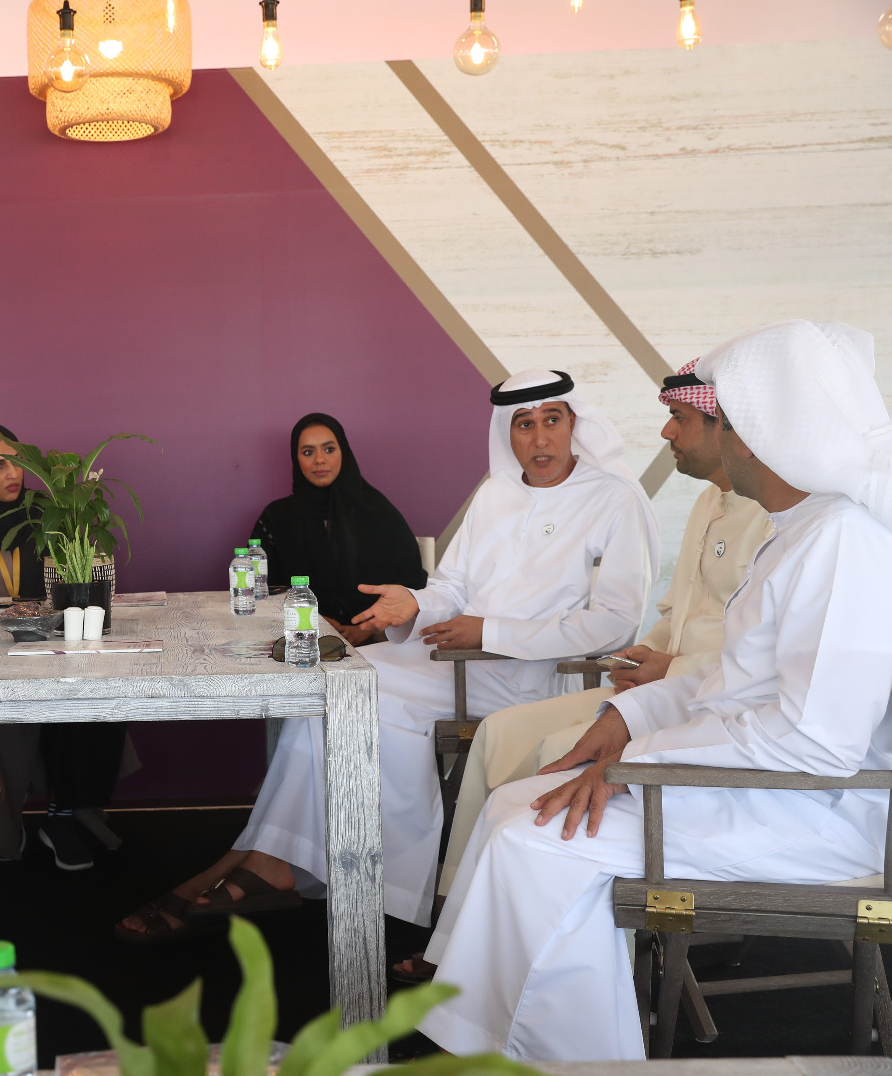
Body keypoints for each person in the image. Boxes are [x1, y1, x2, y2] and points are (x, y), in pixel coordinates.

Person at [420, 320, 892, 1061]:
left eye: (696, 419)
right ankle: (515, 1043)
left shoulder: (843, 541)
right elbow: (731, 677)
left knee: (537, 839)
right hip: (760, 786)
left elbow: (813, 740)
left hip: (813, 811)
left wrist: (638, 764)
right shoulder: (798, 529)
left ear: (750, 434)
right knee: (517, 803)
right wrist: (625, 716)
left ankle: (569, 1058)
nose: (672, 433)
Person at [117, 370, 659, 942]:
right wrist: (413, 604)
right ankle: (290, 860)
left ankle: (271, 861)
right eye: (524, 424)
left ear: (574, 423)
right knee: (333, 684)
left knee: (360, 695)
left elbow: (614, 622)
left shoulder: (614, 499)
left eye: (552, 420)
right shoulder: (496, 493)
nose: (540, 438)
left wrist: (489, 630)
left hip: (534, 679)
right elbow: (451, 587)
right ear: (508, 432)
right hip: (454, 664)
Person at [425, 361, 772, 927]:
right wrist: (640, 657)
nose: (665, 431)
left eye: (679, 418)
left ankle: (537, 926)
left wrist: (669, 667)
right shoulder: (708, 504)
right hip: (659, 685)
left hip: (710, 699)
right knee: (495, 734)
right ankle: (458, 921)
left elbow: (763, 655)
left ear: (724, 429)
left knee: (553, 753)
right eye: (524, 424)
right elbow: (673, 613)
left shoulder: (772, 518)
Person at [0, 424, 129, 871]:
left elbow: (77, 574)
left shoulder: (44, 512)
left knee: (93, 689)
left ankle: (62, 816)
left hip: (51, 648)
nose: (13, 474)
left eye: (18, 463)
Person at [250, 413, 428, 644]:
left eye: (329, 449)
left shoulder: (379, 513)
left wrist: (369, 628)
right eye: (308, 452)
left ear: (344, 452)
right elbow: (259, 588)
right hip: (301, 640)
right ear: (296, 458)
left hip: (378, 643)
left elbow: (413, 587)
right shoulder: (276, 518)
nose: (319, 460)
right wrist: (311, 618)